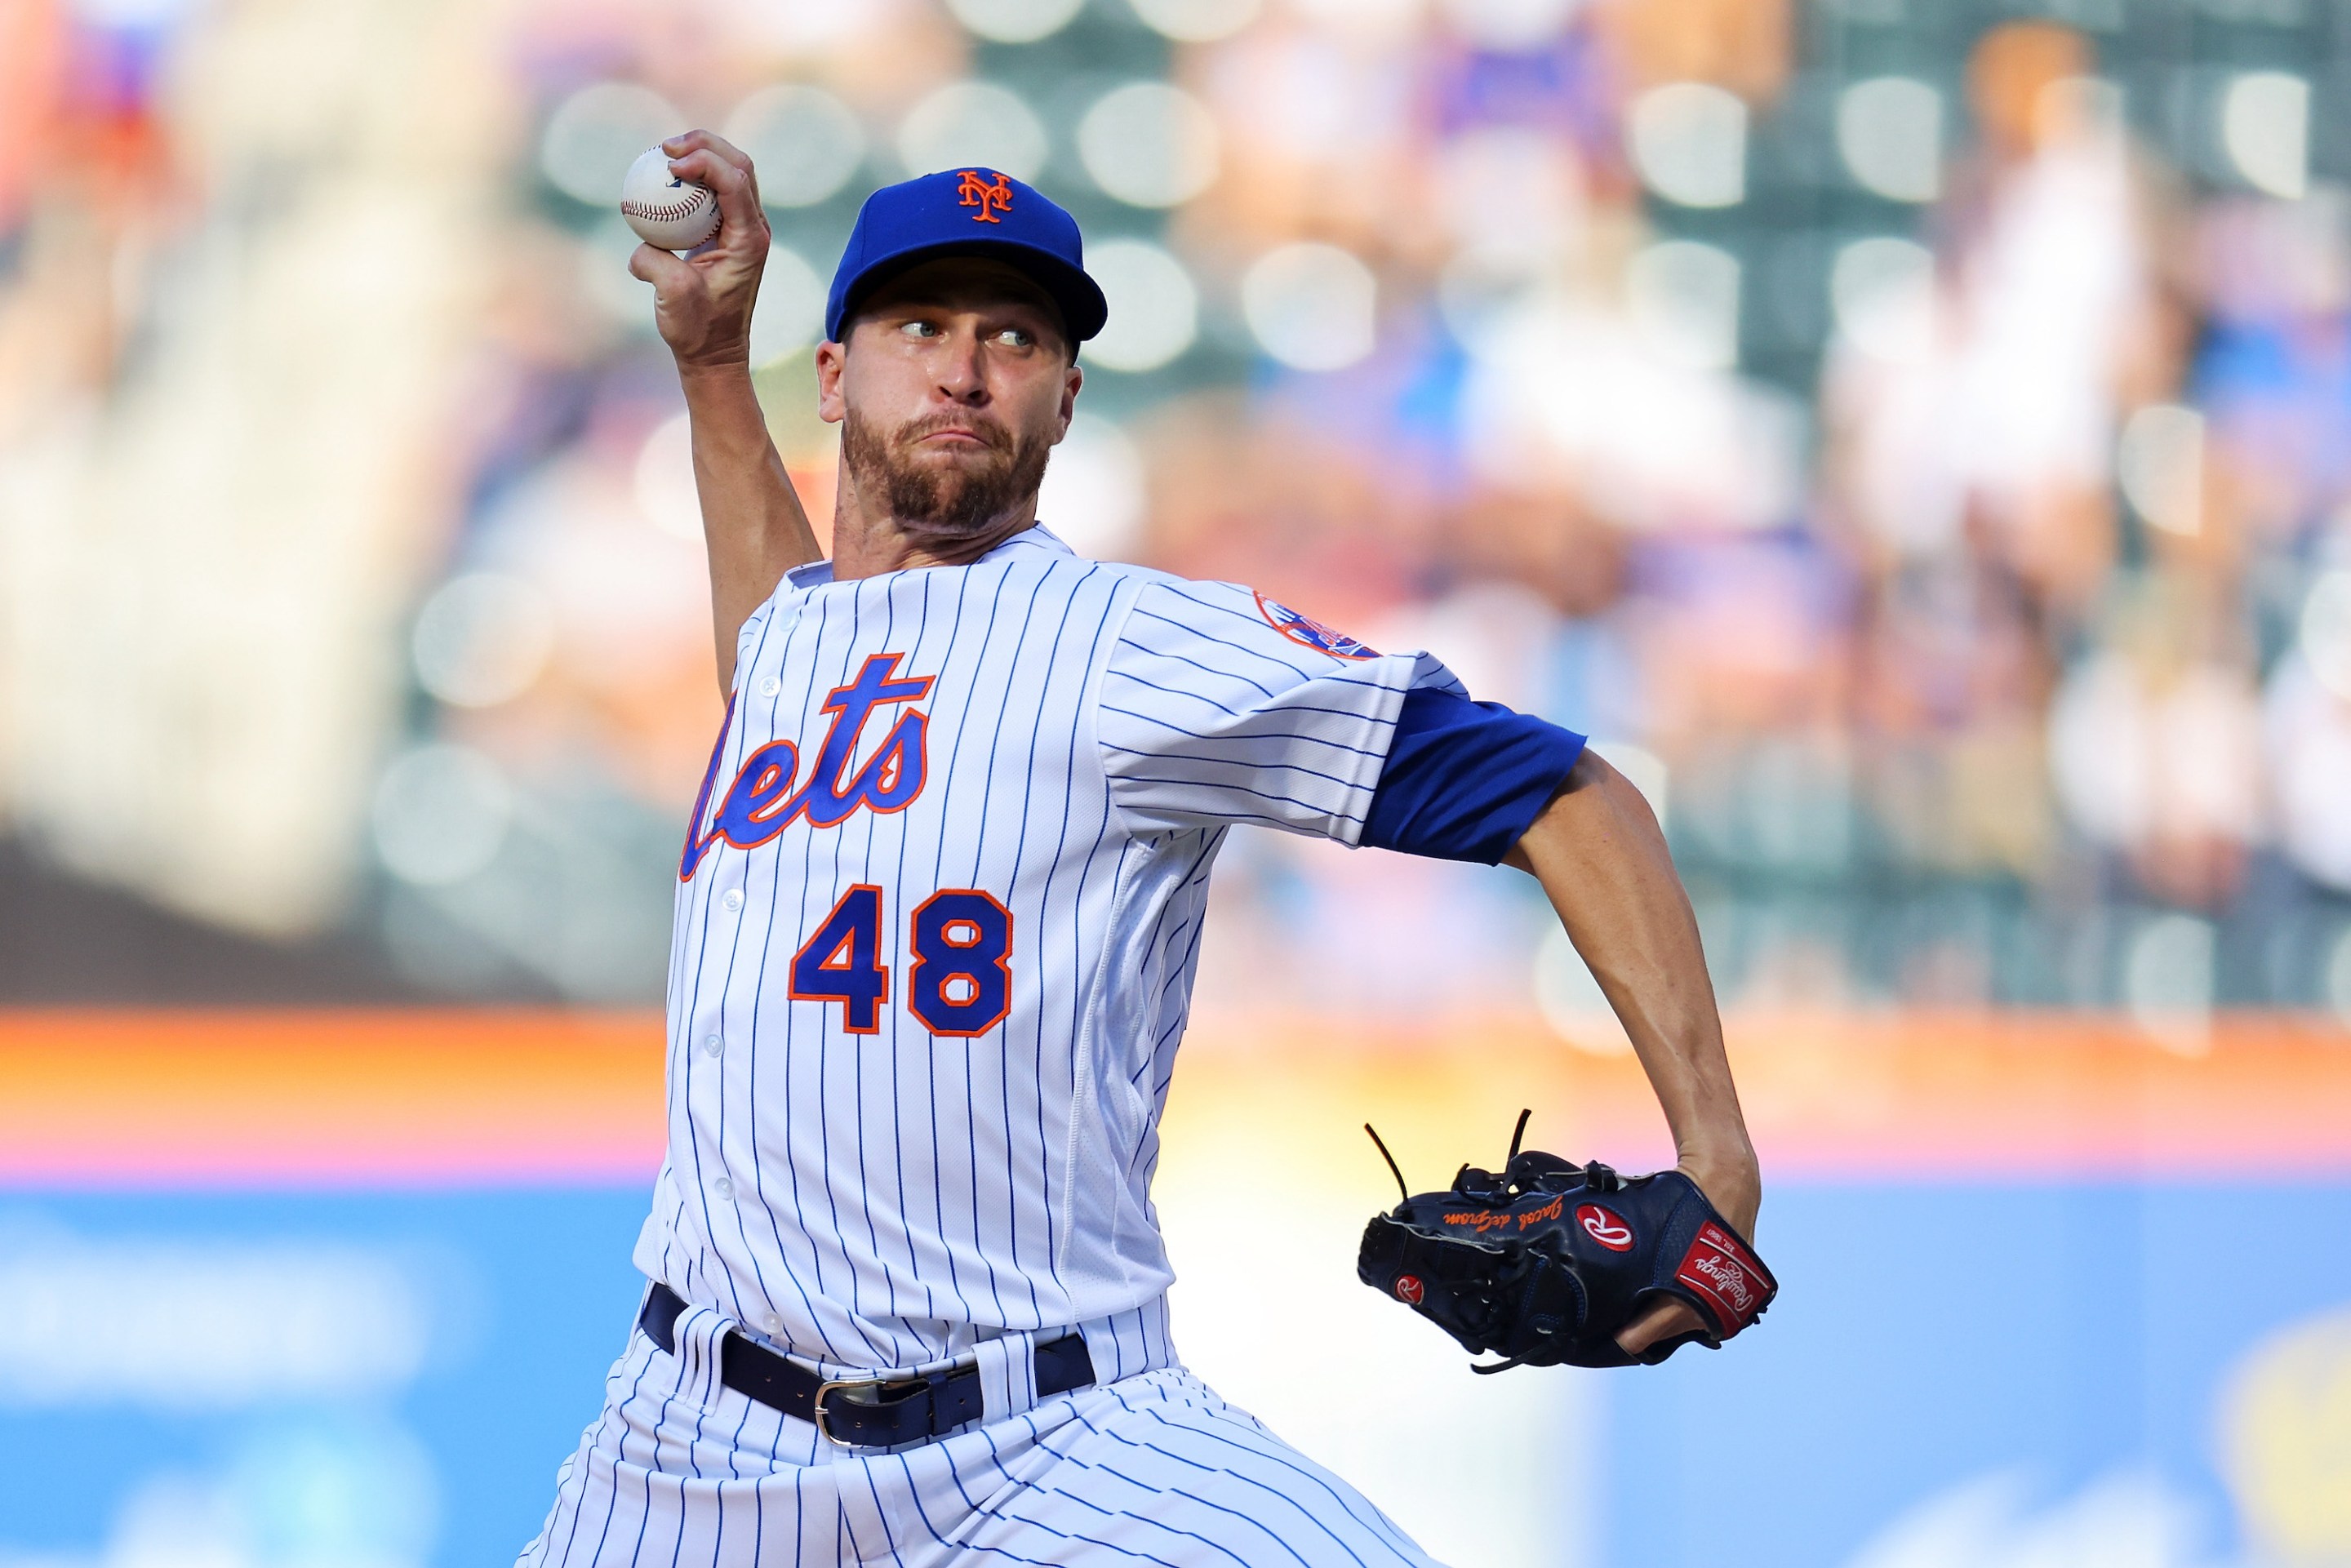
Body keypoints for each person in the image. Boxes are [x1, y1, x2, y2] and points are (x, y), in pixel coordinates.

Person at [519, 136, 1762, 1567]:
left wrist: (1714, 1151)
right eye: (919, 325)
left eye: (1015, 336)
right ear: (835, 374)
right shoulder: (797, 639)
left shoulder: (1132, 649)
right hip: (693, 1443)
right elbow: (776, 651)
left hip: (1054, 1443)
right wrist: (709, 367)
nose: (964, 368)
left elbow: (1571, 793)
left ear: (1066, 397)